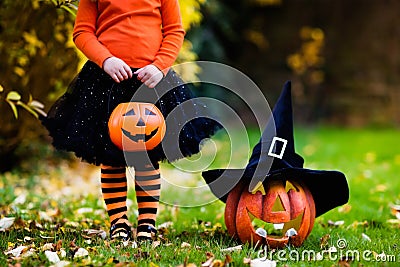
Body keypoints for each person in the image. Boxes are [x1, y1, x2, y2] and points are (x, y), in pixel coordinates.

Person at [42, 0, 220, 242]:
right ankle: (119, 222)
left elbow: (174, 31)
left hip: (151, 79)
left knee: (146, 155)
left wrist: (159, 66)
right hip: (106, 80)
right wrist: (106, 59)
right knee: (111, 156)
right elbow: (82, 32)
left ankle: (147, 223)